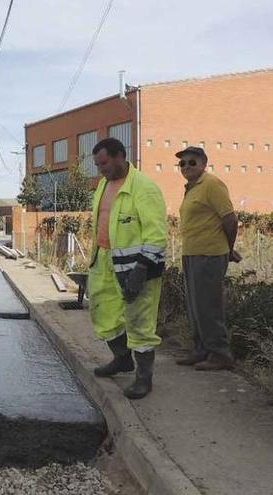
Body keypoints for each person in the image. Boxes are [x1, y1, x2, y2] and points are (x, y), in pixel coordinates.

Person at [88, 137, 168, 399]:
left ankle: (144, 379)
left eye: (105, 163)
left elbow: (156, 235)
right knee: (104, 314)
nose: (101, 169)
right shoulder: (103, 185)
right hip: (105, 262)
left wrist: (142, 268)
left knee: (140, 322)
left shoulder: (143, 188)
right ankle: (122, 359)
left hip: (137, 268)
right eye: (98, 165)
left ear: (121, 156)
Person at [174, 146, 241, 371]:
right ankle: (200, 350)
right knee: (195, 306)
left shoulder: (212, 184)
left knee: (208, 306)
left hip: (210, 254)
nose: (186, 167)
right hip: (192, 253)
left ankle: (220, 354)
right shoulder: (191, 189)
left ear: (203, 164)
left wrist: (229, 249)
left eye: (191, 162)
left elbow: (230, 220)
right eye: (182, 164)